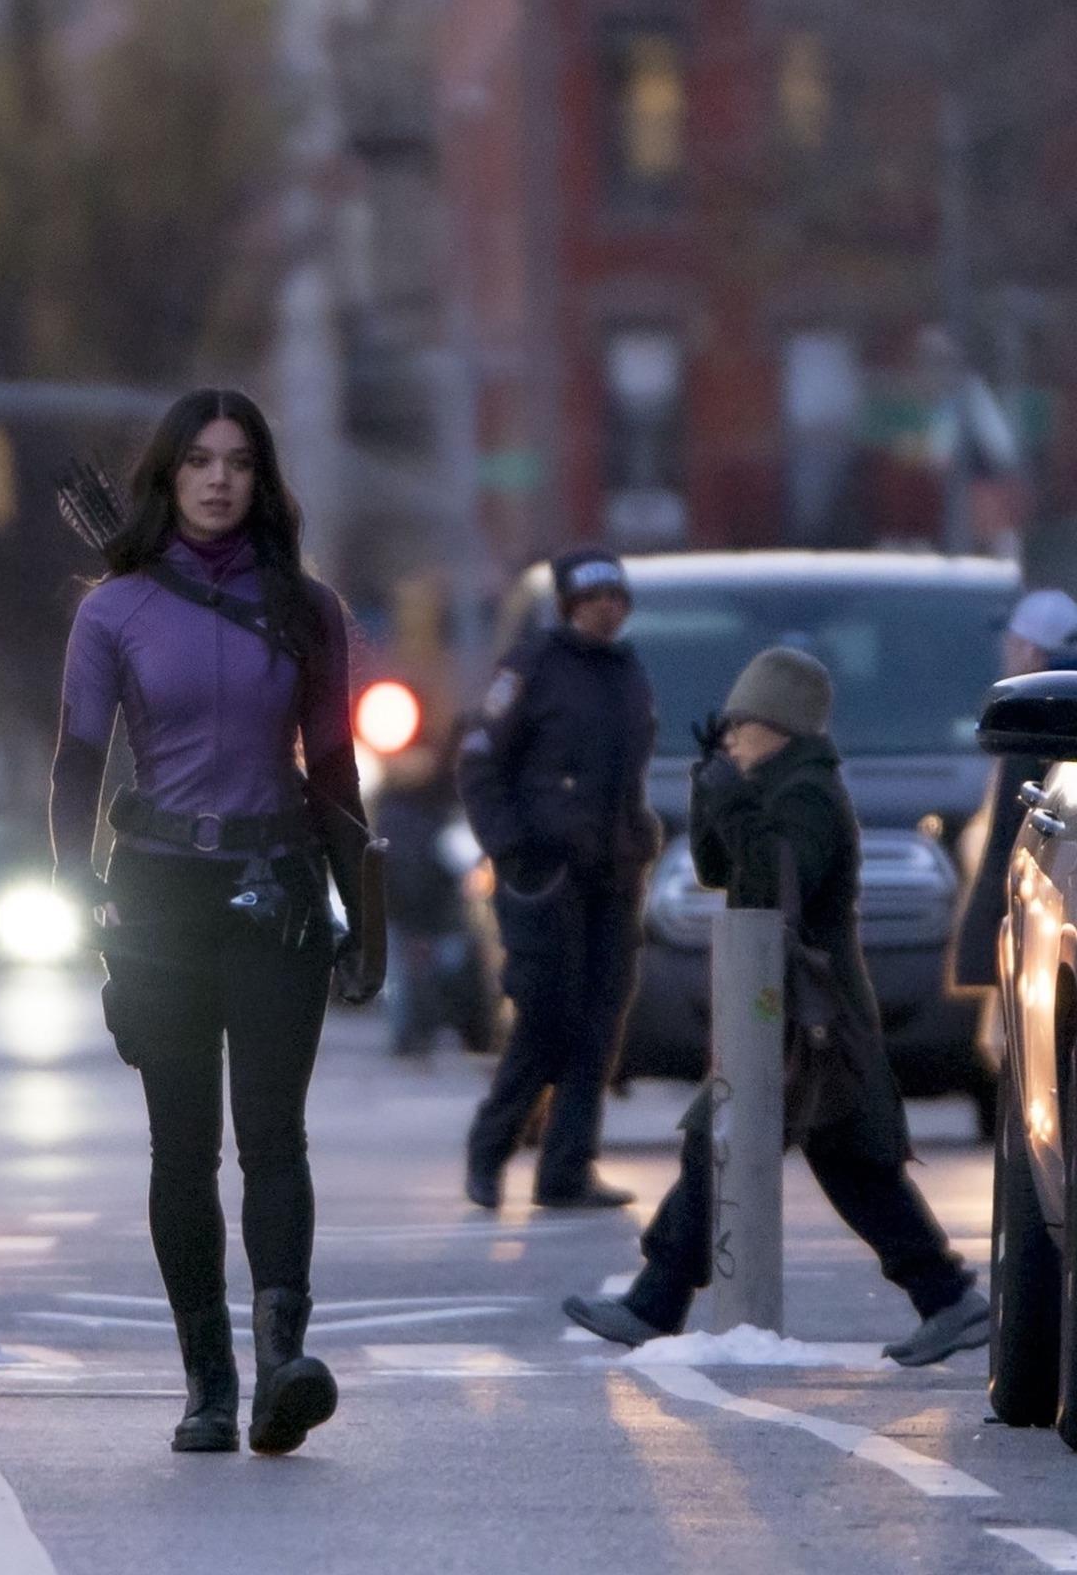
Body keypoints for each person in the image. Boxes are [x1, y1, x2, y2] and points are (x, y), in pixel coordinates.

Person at [50, 389, 379, 1458]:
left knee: (273, 1134)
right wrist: (75, 888)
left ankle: (283, 1359)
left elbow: (331, 766)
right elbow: (76, 763)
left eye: (238, 460)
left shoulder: (308, 607)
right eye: (197, 459)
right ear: (167, 475)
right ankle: (205, 1380)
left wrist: (360, 903)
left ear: (261, 478)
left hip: (275, 880)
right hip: (156, 893)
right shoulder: (113, 609)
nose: (218, 477)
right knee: (180, 1146)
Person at [563, 649, 992, 1367]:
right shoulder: (776, 783)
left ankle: (656, 1300)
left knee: (739, 1142)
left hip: (810, 1011)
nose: (729, 735)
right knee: (834, 1160)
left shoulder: (807, 794)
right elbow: (717, 869)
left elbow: (770, 888)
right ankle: (945, 1297)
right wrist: (712, 788)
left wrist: (732, 798)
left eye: (742, 724)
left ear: (781, 726)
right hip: (783, 1005)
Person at [455, 549, 658, 1210]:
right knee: (545, 1018)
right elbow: (479, 763)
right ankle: (490, 1149)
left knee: (599, 1023)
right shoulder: (531, 666)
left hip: (611, 874)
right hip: (545, 876)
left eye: (614, 596)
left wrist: (638, 833)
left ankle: (567, 1169)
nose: (606, 607)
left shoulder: (626, 671)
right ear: (569, 604)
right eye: (592, 596)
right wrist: (511, 849)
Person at [945, 589, 1077, 993]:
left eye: (1012, 644)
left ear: (1030, 652)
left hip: (1029, 933)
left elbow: (1005, 845)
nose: (1007, 654)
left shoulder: (1028, 721)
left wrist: (979, 954)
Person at [375, 732, 491, 1060]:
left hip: (417, 909)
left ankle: (415, 1034)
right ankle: (419, 1033)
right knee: (428, 973)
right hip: (427, 910)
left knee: (417, 976)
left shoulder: (395, 811)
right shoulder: (442, 812)